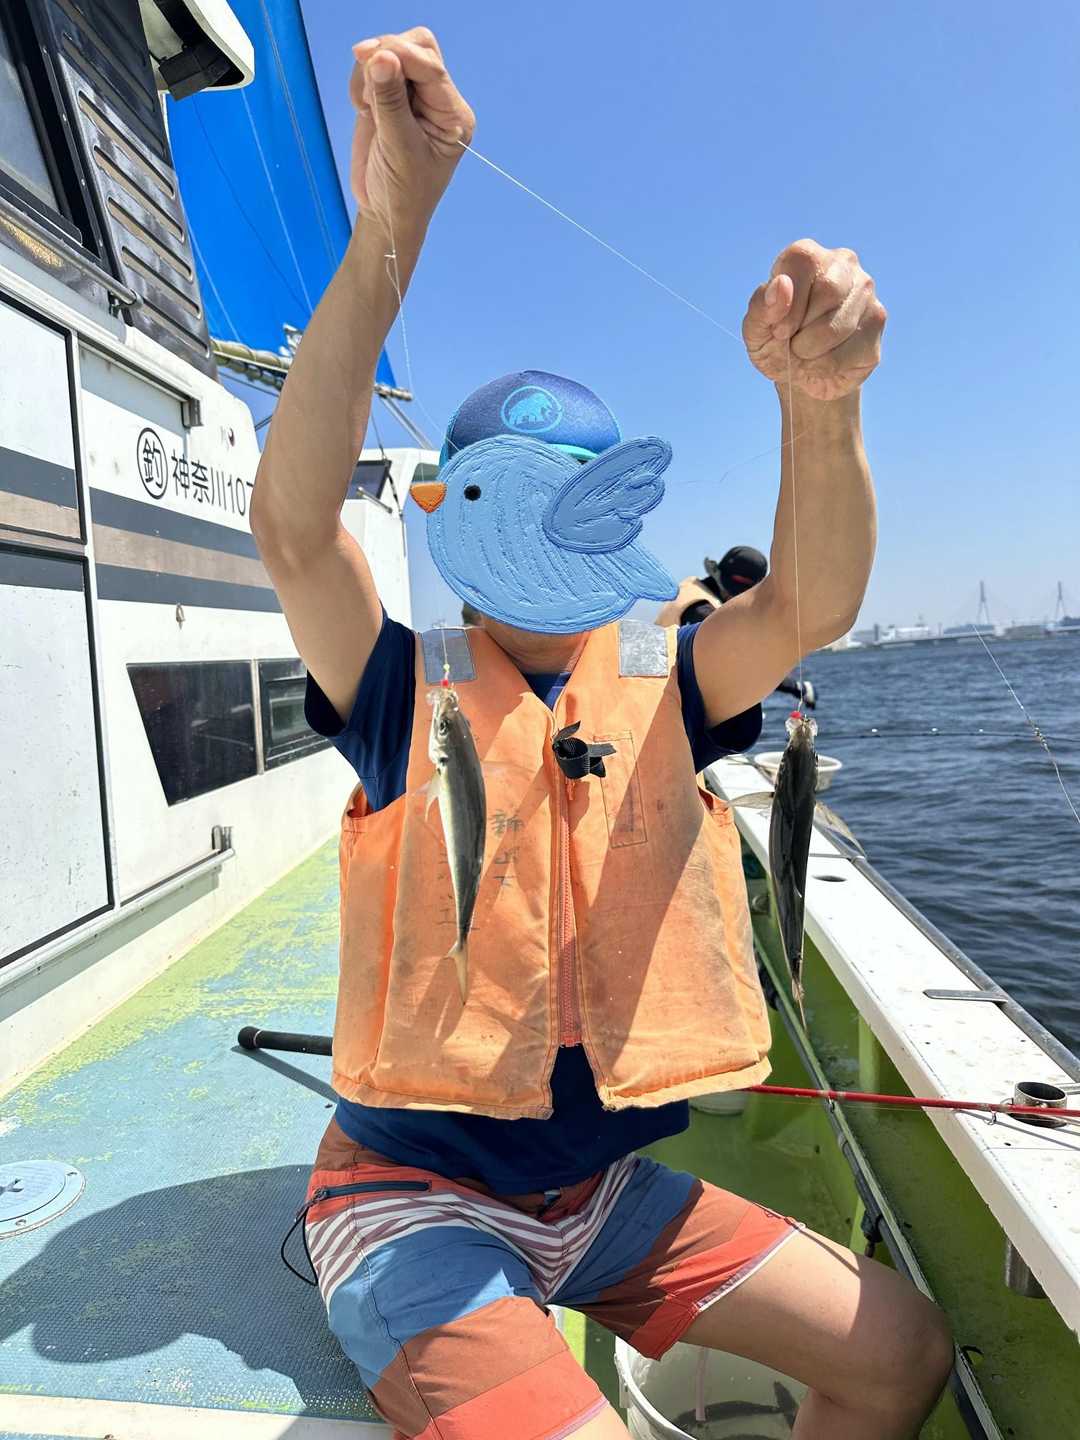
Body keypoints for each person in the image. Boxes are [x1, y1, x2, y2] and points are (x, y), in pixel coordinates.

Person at [251, 27, 951, 1440]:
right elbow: (294, 527)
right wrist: (393, 223)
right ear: (453, 516)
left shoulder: (667, 683)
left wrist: (822, 406)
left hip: (605, 1196)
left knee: (901, 1350)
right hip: (413, 1201)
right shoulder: (395, 688)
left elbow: (810, 602)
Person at [659, 547, 817, 709]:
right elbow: (747, 662)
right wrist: (796, 687)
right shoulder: (703, 612)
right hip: (668, 699)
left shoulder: (691, 588)